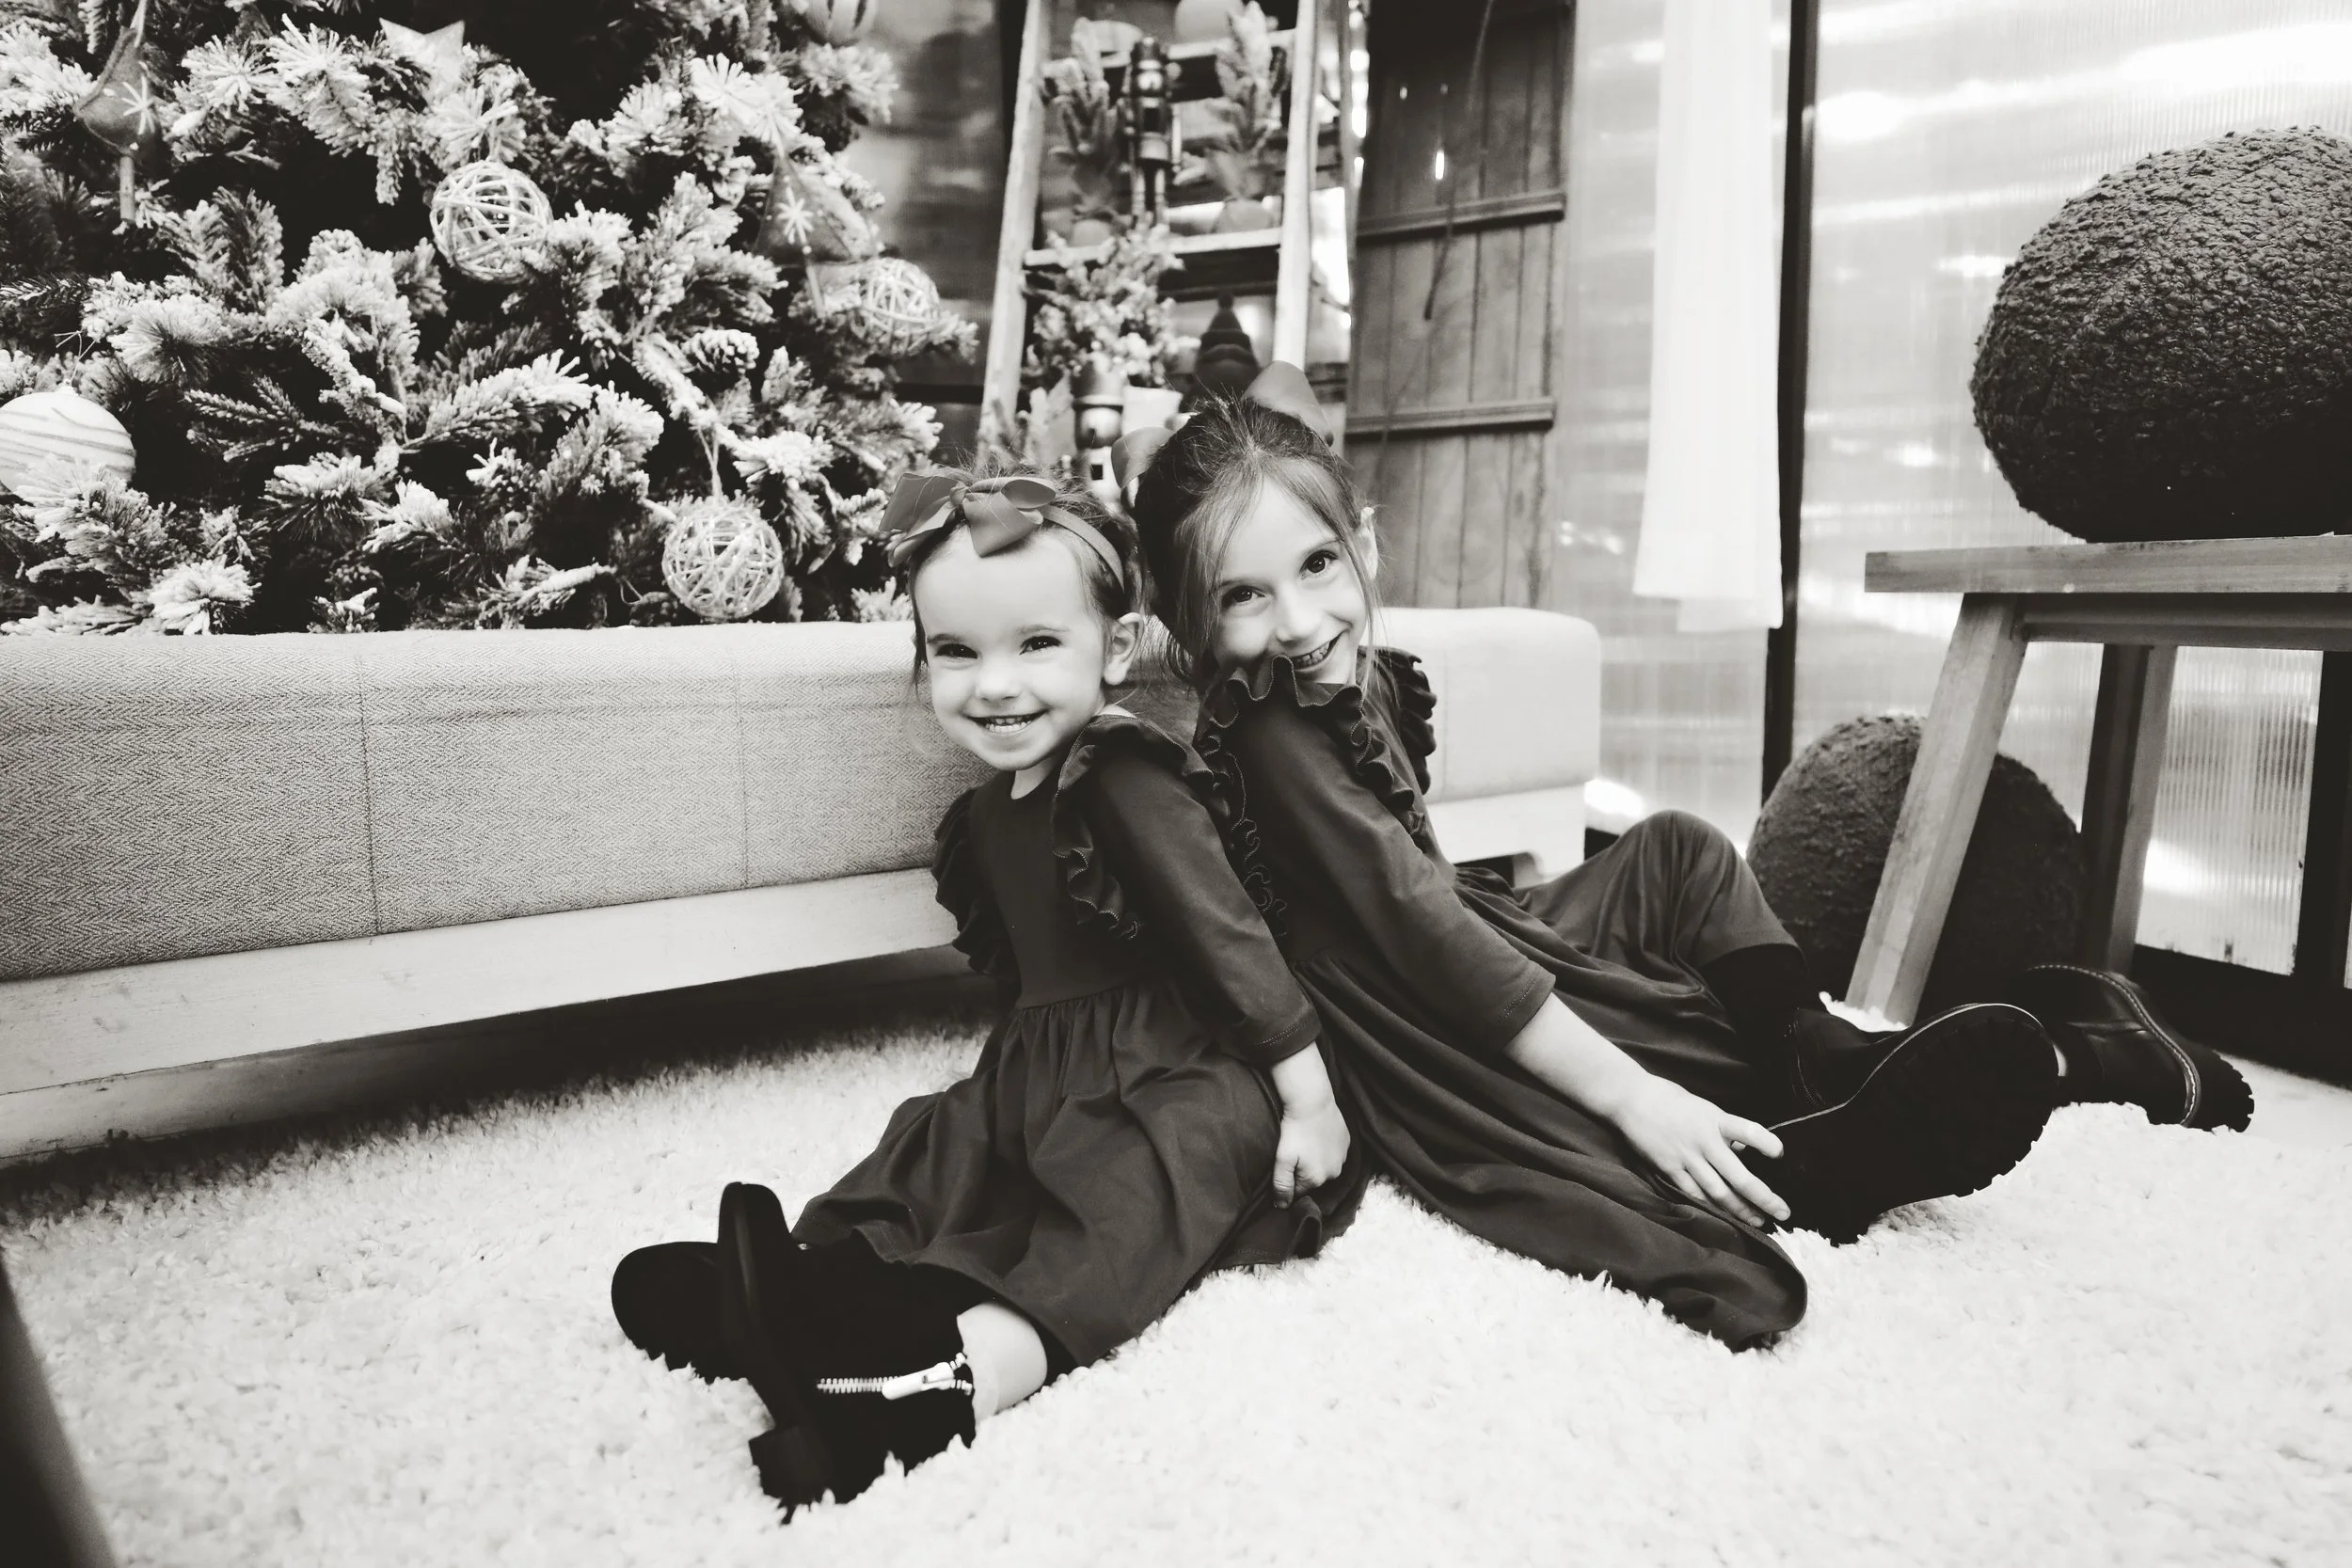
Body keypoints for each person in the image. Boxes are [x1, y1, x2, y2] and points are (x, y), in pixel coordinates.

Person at [1114, 365, 2228, 1348]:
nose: (1300, 619)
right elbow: (1423, 934)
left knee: (1679, 851)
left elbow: (1427, 876)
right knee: (1641, 1075)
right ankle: (1995, 1088)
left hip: (1448, 924)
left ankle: (1818, 1052)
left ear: (1361, 538)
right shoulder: (1264, 723)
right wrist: (1635, 1097)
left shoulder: (1354, 675)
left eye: (1316, 564)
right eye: (1243, 596)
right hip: (1406, 1002)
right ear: (1189, 620)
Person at [609, 467, 1358, 1514]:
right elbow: (1029, 971)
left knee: (1116, 1207)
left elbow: (1231, 939)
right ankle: (821, 1285)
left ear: (1119, 647)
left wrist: (1308, 1097)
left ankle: (937, 1390)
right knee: (944, 1147)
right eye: (956, 652)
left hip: (1182, 1070)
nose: (994, 683)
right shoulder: (989, 809)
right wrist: (1015, 1091)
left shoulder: (1124, 775)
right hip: (1049, 1062)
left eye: (1036, 644)